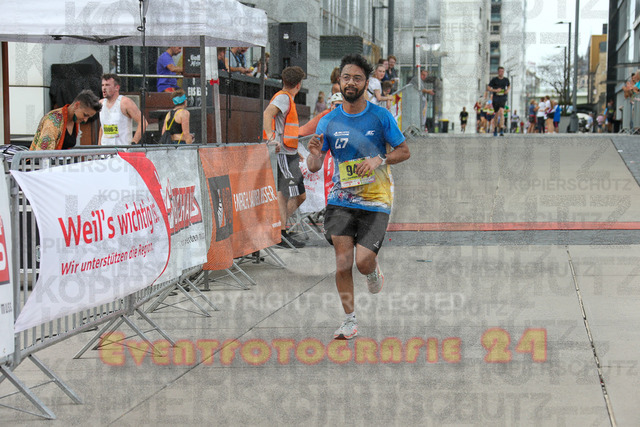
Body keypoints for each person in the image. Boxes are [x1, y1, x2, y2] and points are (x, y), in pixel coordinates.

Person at [307, 53, 410, 340]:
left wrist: (379, 159)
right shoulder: (328, 121)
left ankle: (373, 271)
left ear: (366, 83)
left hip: (376, 199)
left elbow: (404, 151)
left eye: (357, 78)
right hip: (340, 200)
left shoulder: (380, 116)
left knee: (363, 262)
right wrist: (314, 155)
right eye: (346, 77)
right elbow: (314, 165)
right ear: (338, 81)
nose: (350, 82)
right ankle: (349, 320)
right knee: (343, 262)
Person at [262, 66, 308, 248]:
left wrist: (294, 150)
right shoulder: (283, 97)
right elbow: (267, 113)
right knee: (287, 194)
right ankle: (279, 231)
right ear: (298, 84)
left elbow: (285, 128)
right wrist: (271, 136)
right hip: (283, 154)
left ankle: (279, 228)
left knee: (296, 195)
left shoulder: (287, 98)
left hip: (289, 152)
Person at [30, 89, 102, 150]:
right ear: (77, 105)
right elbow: (44, 153)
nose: (85, 120)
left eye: (88, 117)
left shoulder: (75, 121)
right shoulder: (52, 120)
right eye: (85, 115)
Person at [98, 74, 147, 145]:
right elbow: (102, 127)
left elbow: (143, 122)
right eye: (103, 85)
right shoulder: (101, 103)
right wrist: (99, 146)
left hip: (122, 149)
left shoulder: (125, 102)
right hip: (105, 150)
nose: (104, 88)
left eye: (107, 85)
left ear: (117, 88)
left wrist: (134, 142)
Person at [487, 66, 510, 136]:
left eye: (502, 71)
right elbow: (488, 88)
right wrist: (495, 90)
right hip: (496, 98)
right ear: (498, 72)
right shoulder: (494, 80)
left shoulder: (506, 80)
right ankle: (495, 128)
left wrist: (507, 90)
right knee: (496, 114)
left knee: (502, 112)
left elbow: (509, 86)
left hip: (503, 97)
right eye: (500, 71)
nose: (501, 73)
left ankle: (502, 129)